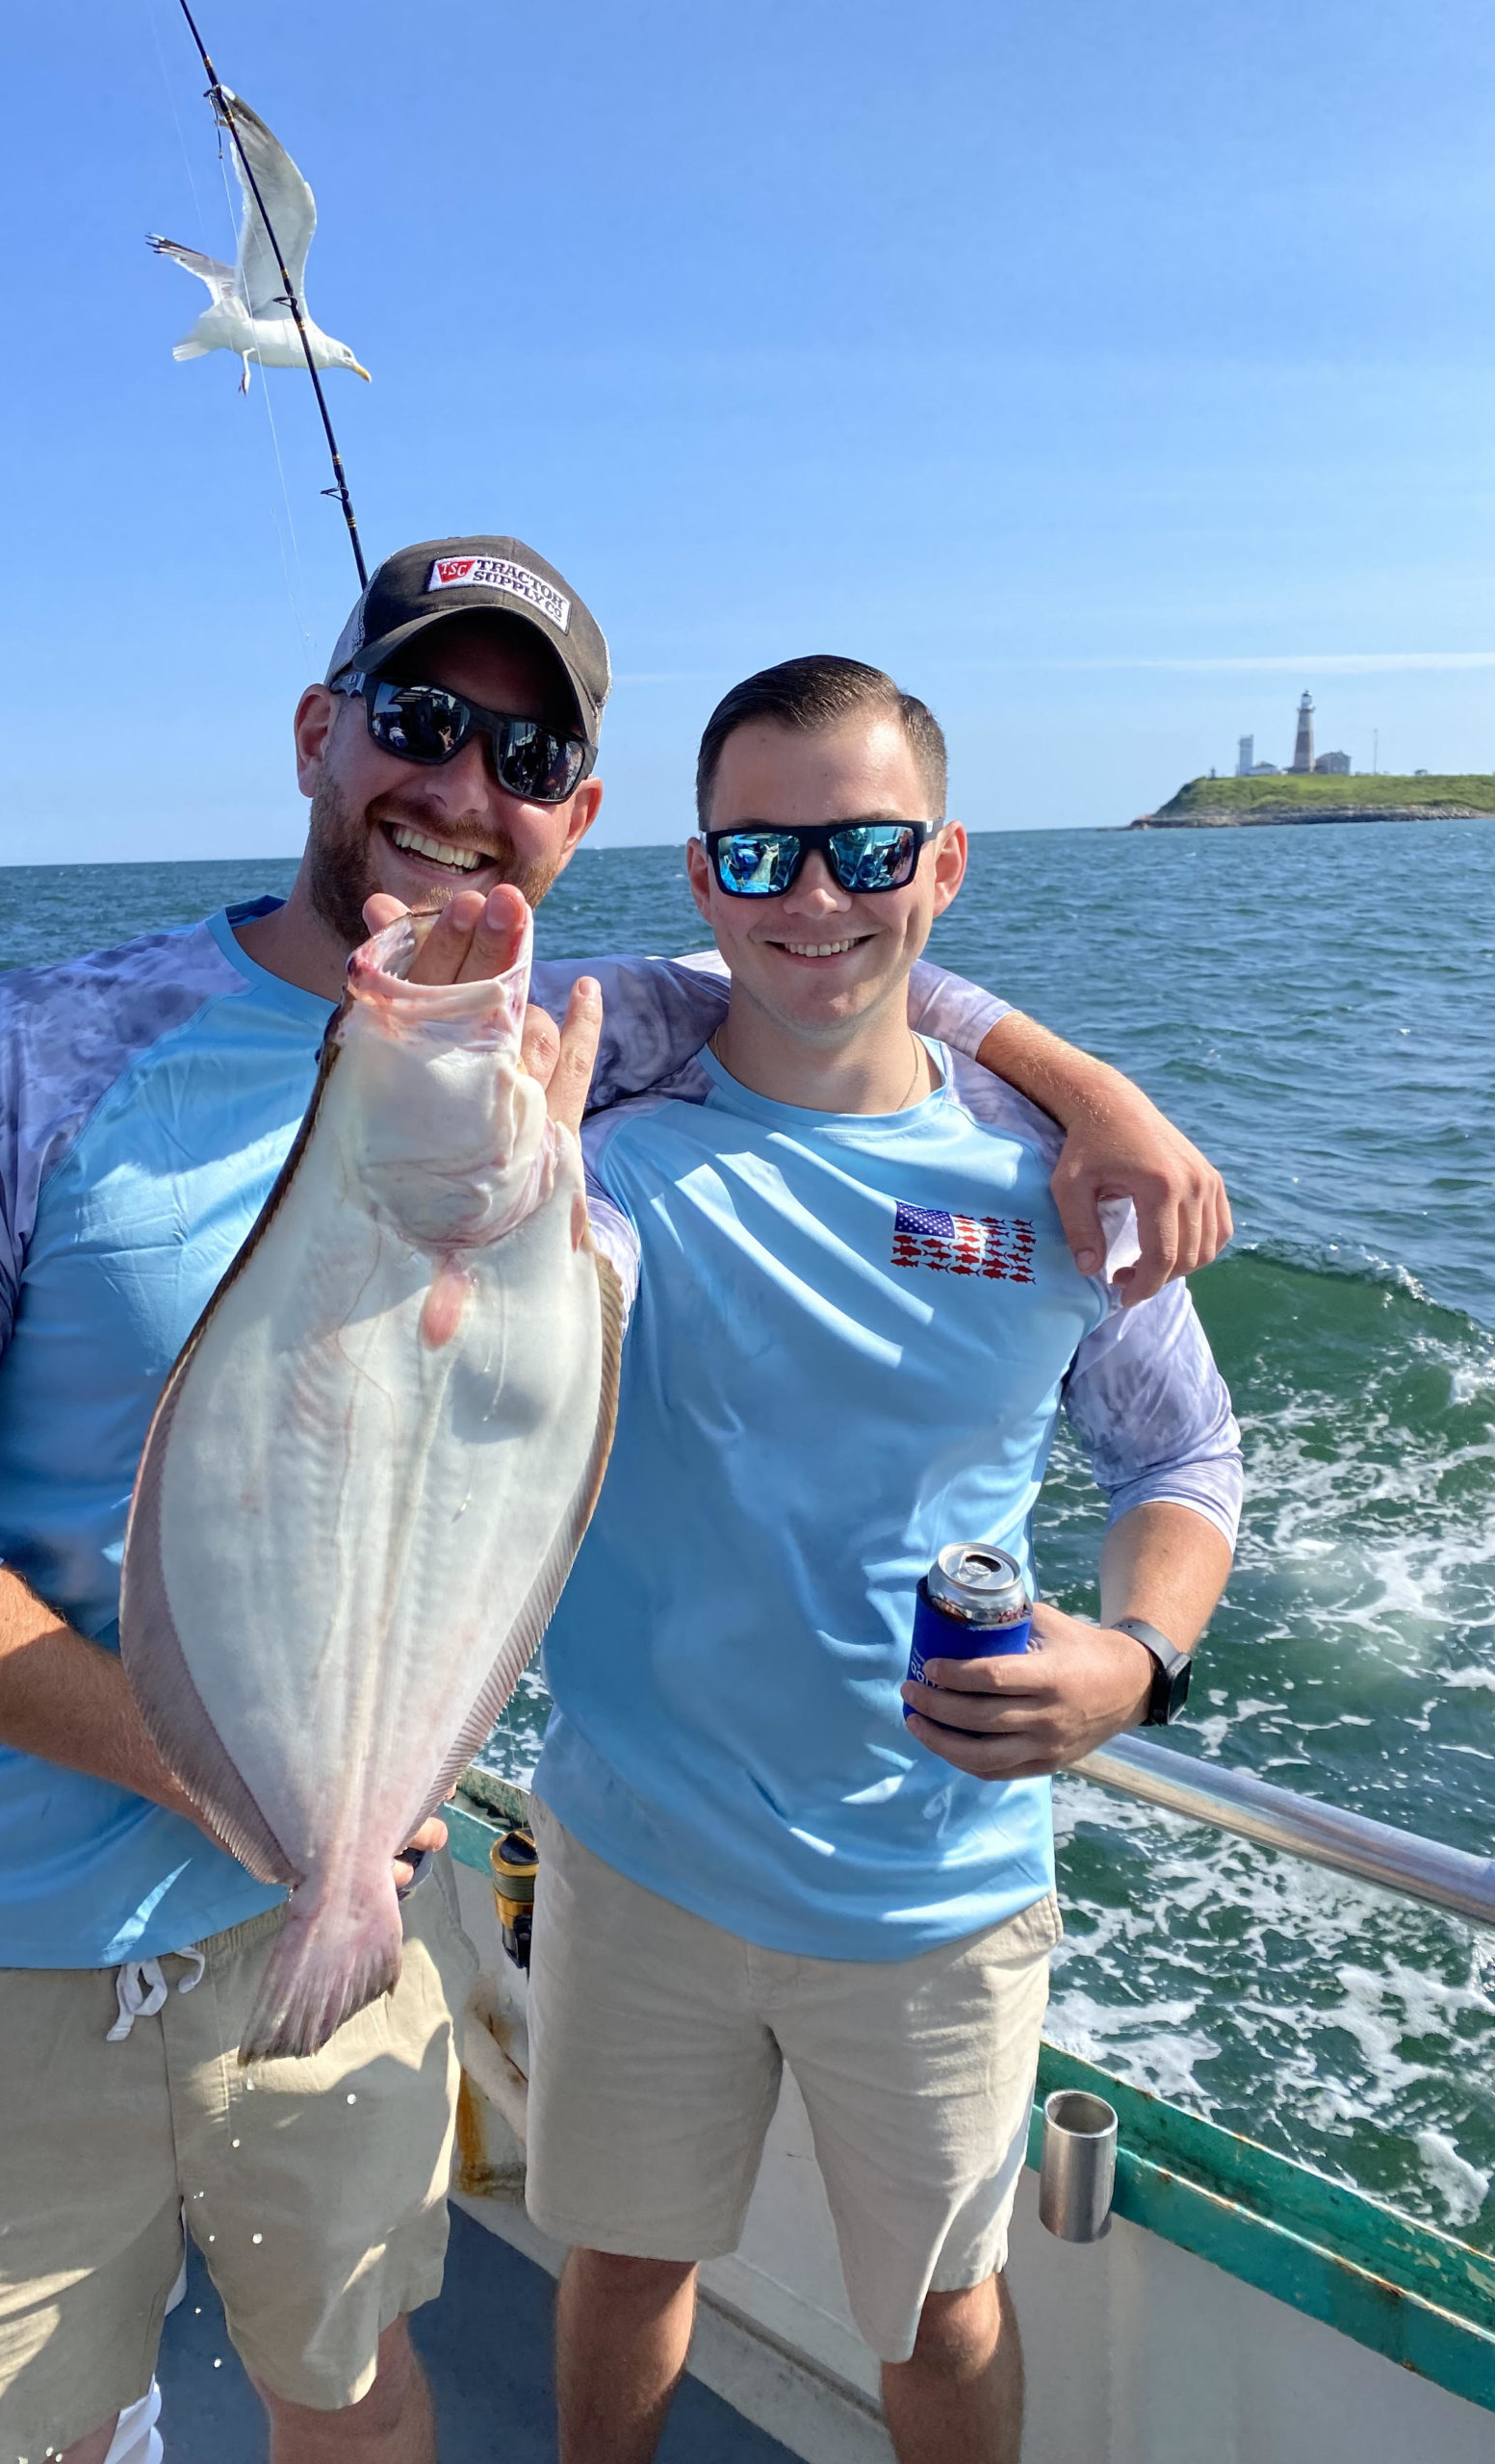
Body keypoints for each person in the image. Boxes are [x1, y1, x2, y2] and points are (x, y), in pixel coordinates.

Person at [0, 539, 1226, 2464]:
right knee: (19, 2439)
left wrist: (1075, 1078)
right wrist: (194, 1762)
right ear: (315, 733)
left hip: (374, 1943)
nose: (461, 788)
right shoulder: (27, 1051)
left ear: (579, 820)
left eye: (525, 757)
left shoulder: (561, 1038)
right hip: (19, 1942)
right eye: (420, 721)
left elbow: (825, 957)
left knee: (355, 2397)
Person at [521, 656, 1244, 2464]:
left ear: (945, 861)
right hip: (636, 1852)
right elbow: (446, 1029)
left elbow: (1182, 1453)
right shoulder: (598, 1146)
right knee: (622, 2262)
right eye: (762, 857)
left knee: (939, 2305)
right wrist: (1060, 1051)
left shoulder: (1063, 1186)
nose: (820, 899)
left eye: (866, 848)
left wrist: (1136, 1659)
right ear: (700, 881)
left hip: (933, 1895)